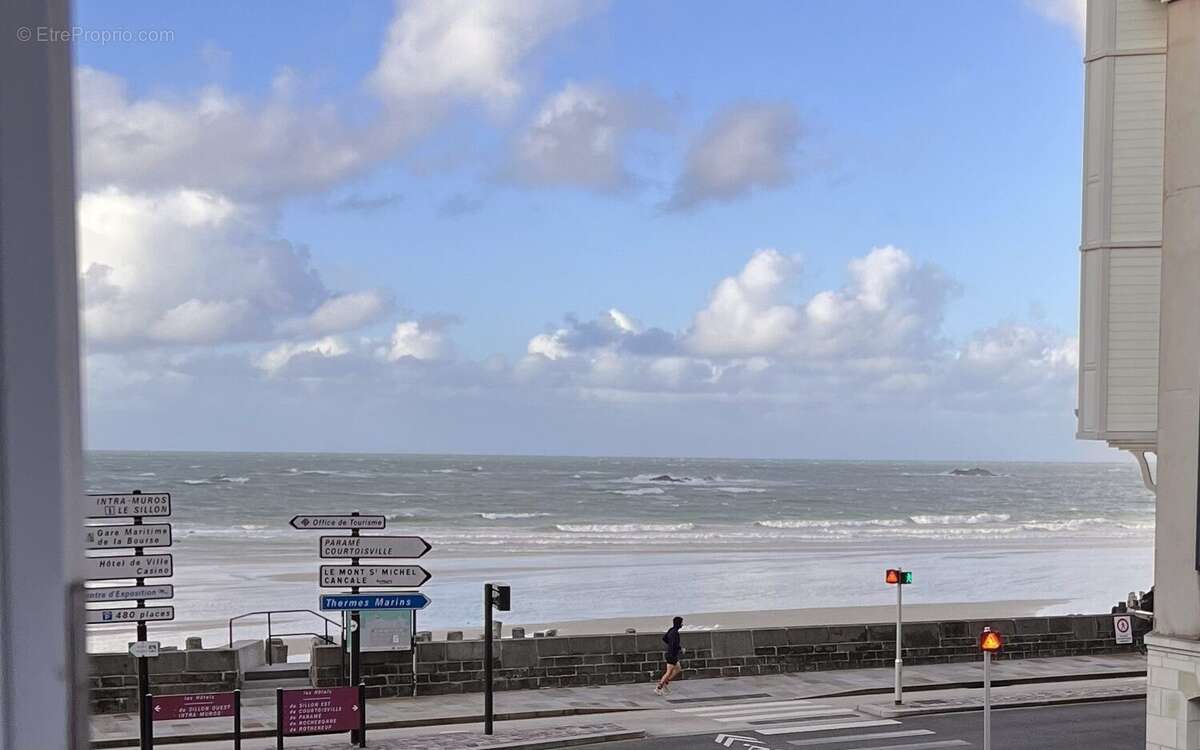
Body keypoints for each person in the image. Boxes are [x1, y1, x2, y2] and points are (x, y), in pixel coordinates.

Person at [655, 616, 684, 695]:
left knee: (678, 669)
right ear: (679, 624)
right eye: (681, 623)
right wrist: (680, 648)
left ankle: (665, 682)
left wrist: (670, 643)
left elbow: (664, 638)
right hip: (672, 655)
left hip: (670, 654)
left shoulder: (671, 630)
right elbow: (675, 644)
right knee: (668, 672)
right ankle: (659, 687)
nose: (682, 624)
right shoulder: (675, 633)